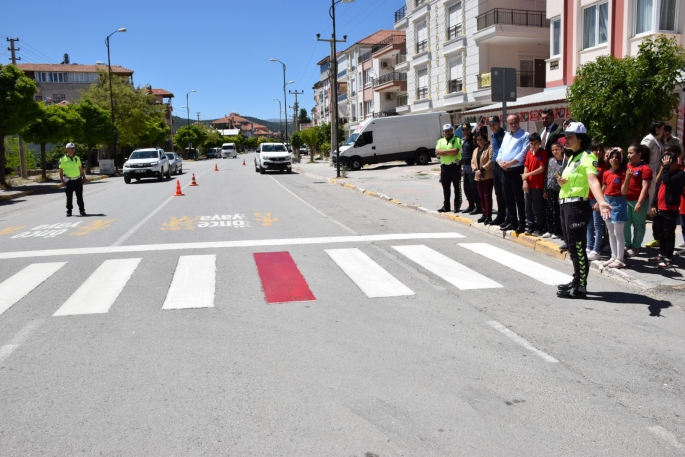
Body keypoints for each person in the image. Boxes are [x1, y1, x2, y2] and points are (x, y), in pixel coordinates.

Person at [556, 122, 612, 299]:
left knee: (578, 247)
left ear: (580, 138)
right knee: (572, 247)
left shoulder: (588, 156)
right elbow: (571, 180)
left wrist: (601, 201)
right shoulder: (573, 156)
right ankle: (576, 280)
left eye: (570, 136)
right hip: (566, 205)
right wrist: (560, 182)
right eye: (566, 135)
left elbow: (593, 180)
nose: (566, 139)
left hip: (577, 207)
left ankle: (581, 286)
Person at [649, 151, 685, 268]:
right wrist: (653, 204)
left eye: (668, 164)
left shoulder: (680, 174)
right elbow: (658, 187)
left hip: (670, 209)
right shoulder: (664, 173)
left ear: (675, 164)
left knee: (669, 234)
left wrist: (665, 168)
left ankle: (669, 259)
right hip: (660, 208)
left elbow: (668, 181)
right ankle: (662, 254)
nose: (665, 167)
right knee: (661, 233)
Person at [497, 114, 530, 233]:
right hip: (505, 170)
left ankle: (522, 223)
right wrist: (500, 161)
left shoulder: (525, 135)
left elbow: (524, 152)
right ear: (507, 124)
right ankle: (512, 221)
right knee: (508, 197)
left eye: (515, 122)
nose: (513, 125)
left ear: (519, 121)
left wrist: (511, 162)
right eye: (511, 123)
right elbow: (501, 150)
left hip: (516, 169)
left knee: (519, 198)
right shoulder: (506, 135)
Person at [601, 148, 630, 268]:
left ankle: (620, 258)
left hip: (619, 202)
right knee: (611, 232)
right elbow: (603, 187)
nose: (614, 159)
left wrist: (628, 178)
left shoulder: (624, 173)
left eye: (617, 157)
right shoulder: (606, 173)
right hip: (607, 201)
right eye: (612, 157)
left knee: (618, 232)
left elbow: (623, 191)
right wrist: (600, 202)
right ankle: (613, 256)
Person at [624, 144, 652, 257]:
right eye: (628, 153)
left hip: (639, 201)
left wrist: (639, 203)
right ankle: (626, 244)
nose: (628, 155)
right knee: (625, 223)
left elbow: (645, 187)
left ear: (639, 154)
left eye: (631, 153)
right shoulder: (626, 167)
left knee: (639, 225)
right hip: (625, 200)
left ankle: (636, 247)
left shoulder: (645, 169)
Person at [522, 132, 548, 236]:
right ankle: (530, 226)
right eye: (532, 143)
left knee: (537, 207)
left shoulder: (543, 153)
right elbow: (526, 166)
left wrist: (527, 174)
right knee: (528, 206)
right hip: (529, 184)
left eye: (536, 143)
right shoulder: (529, 153)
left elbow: (542, 169)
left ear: (539, 143)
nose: (533, 146)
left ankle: (539, 227)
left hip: (538, 185)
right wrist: (525, 180)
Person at [586, 142, 607, 261]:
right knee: (589, 225)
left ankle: (596, 250)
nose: (598, 152)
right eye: (595, 150)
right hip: (588, 198)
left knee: (597, 225)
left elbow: (604, 185)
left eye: (600, 150)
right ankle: (589, 247)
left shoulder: (604, 166)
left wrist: (599, 201)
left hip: (597, 199)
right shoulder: (589, 164)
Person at [435, 124, 462, 213]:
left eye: (449, 130)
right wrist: (449, 152)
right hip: (444, 167)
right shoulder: (440, 140)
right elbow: (437, 153)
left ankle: (457, 206)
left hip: (455, 166)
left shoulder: (457, 139)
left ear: (452, 130)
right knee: (446, 188)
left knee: (456, 188)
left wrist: (443, 152)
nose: (447, 132)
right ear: (443, 132)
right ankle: (446, 206)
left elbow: (455, 152)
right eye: (446, 131)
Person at [542, 142, 565, 239]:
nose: (555, 151)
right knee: (549, 210)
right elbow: (547, 176)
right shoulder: (551, 161)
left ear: (562, 149)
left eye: (557, 149)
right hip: (550, 189)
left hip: (559, 190)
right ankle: (549, 229)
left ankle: (557, 231)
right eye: (553, 150)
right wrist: (545, 190)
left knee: (557, 211)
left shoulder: (565, 162)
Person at [488, 116, 507, 226]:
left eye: (494, 124)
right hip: (495, 164)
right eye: (490, 125)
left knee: (505, 192)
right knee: (498, 192)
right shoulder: (493, 135)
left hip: (502, 165)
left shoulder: (504, 135)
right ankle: (500, 215)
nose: (492, 126)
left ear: (499, 123)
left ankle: (507, 216)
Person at [59, 142, 87, 217]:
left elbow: (80, 168)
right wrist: (62, 180)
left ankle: (82, 211)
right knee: (69, 197)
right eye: (70, 149)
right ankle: (69, 211)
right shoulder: (63, 159)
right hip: (69, 181)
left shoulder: (77, 158)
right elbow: (61, 170)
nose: (72, 150)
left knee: (80, 197)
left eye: (73, 149)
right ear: (67, 149)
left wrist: (84, 177)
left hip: (78, 180)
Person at [472, 131, 494, 224]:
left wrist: (482, 170)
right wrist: (476, 170)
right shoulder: (475, 150)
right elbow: (472, 162)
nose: (479, 141)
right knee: (481, 196)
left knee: (487, 196)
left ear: (485, 139)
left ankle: (488, 216)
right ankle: (484, 214)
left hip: (487, 176)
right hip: (478, 176)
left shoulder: (489, 148)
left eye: (481, 139)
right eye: (477, 139)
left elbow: (491, 161)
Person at [459, 123, 481, 214]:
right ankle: (471, 205)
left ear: (470, 129)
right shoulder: (464, 140)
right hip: (465, 166)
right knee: (466, 187)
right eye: (464, 130)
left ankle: (478, 206)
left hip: (472, 166)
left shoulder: (473, 139)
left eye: (467, 129)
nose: (465, 131)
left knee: (473, 187)